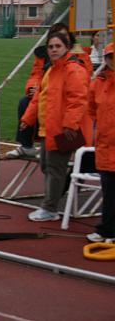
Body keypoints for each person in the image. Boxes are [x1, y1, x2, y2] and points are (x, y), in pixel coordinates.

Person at [20, 31, 92, 222]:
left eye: (57, 46)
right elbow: (38, 98)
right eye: (50, 47)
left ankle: (50, 208)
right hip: (48, 129)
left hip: (64, 130)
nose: (53, 50)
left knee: (55, 168)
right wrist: (27, 119)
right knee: (46, 165)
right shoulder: (51, 70)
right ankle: (53, 201)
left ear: (67, 48)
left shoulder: (74, 70)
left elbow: (77, 100)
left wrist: (69, 125)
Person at [3, 23, 87, 160]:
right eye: (52, 45)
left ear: (68, 41)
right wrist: (33, 88)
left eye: (63, 37)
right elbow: (36, 75)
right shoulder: (46, 57)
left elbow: (79, 92)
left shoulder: (77, 61)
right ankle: (28, 145)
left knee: (56, 168)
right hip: (49, 97)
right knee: (26, 102)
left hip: (64, 107)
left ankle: (66, 152)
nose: (55, 47)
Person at [86, 42, 114, 242]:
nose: (113, 60)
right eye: (110, 56)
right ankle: (106, 230)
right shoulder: (98, 82)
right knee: (109, 192)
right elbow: (91, 110)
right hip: (105, 147)